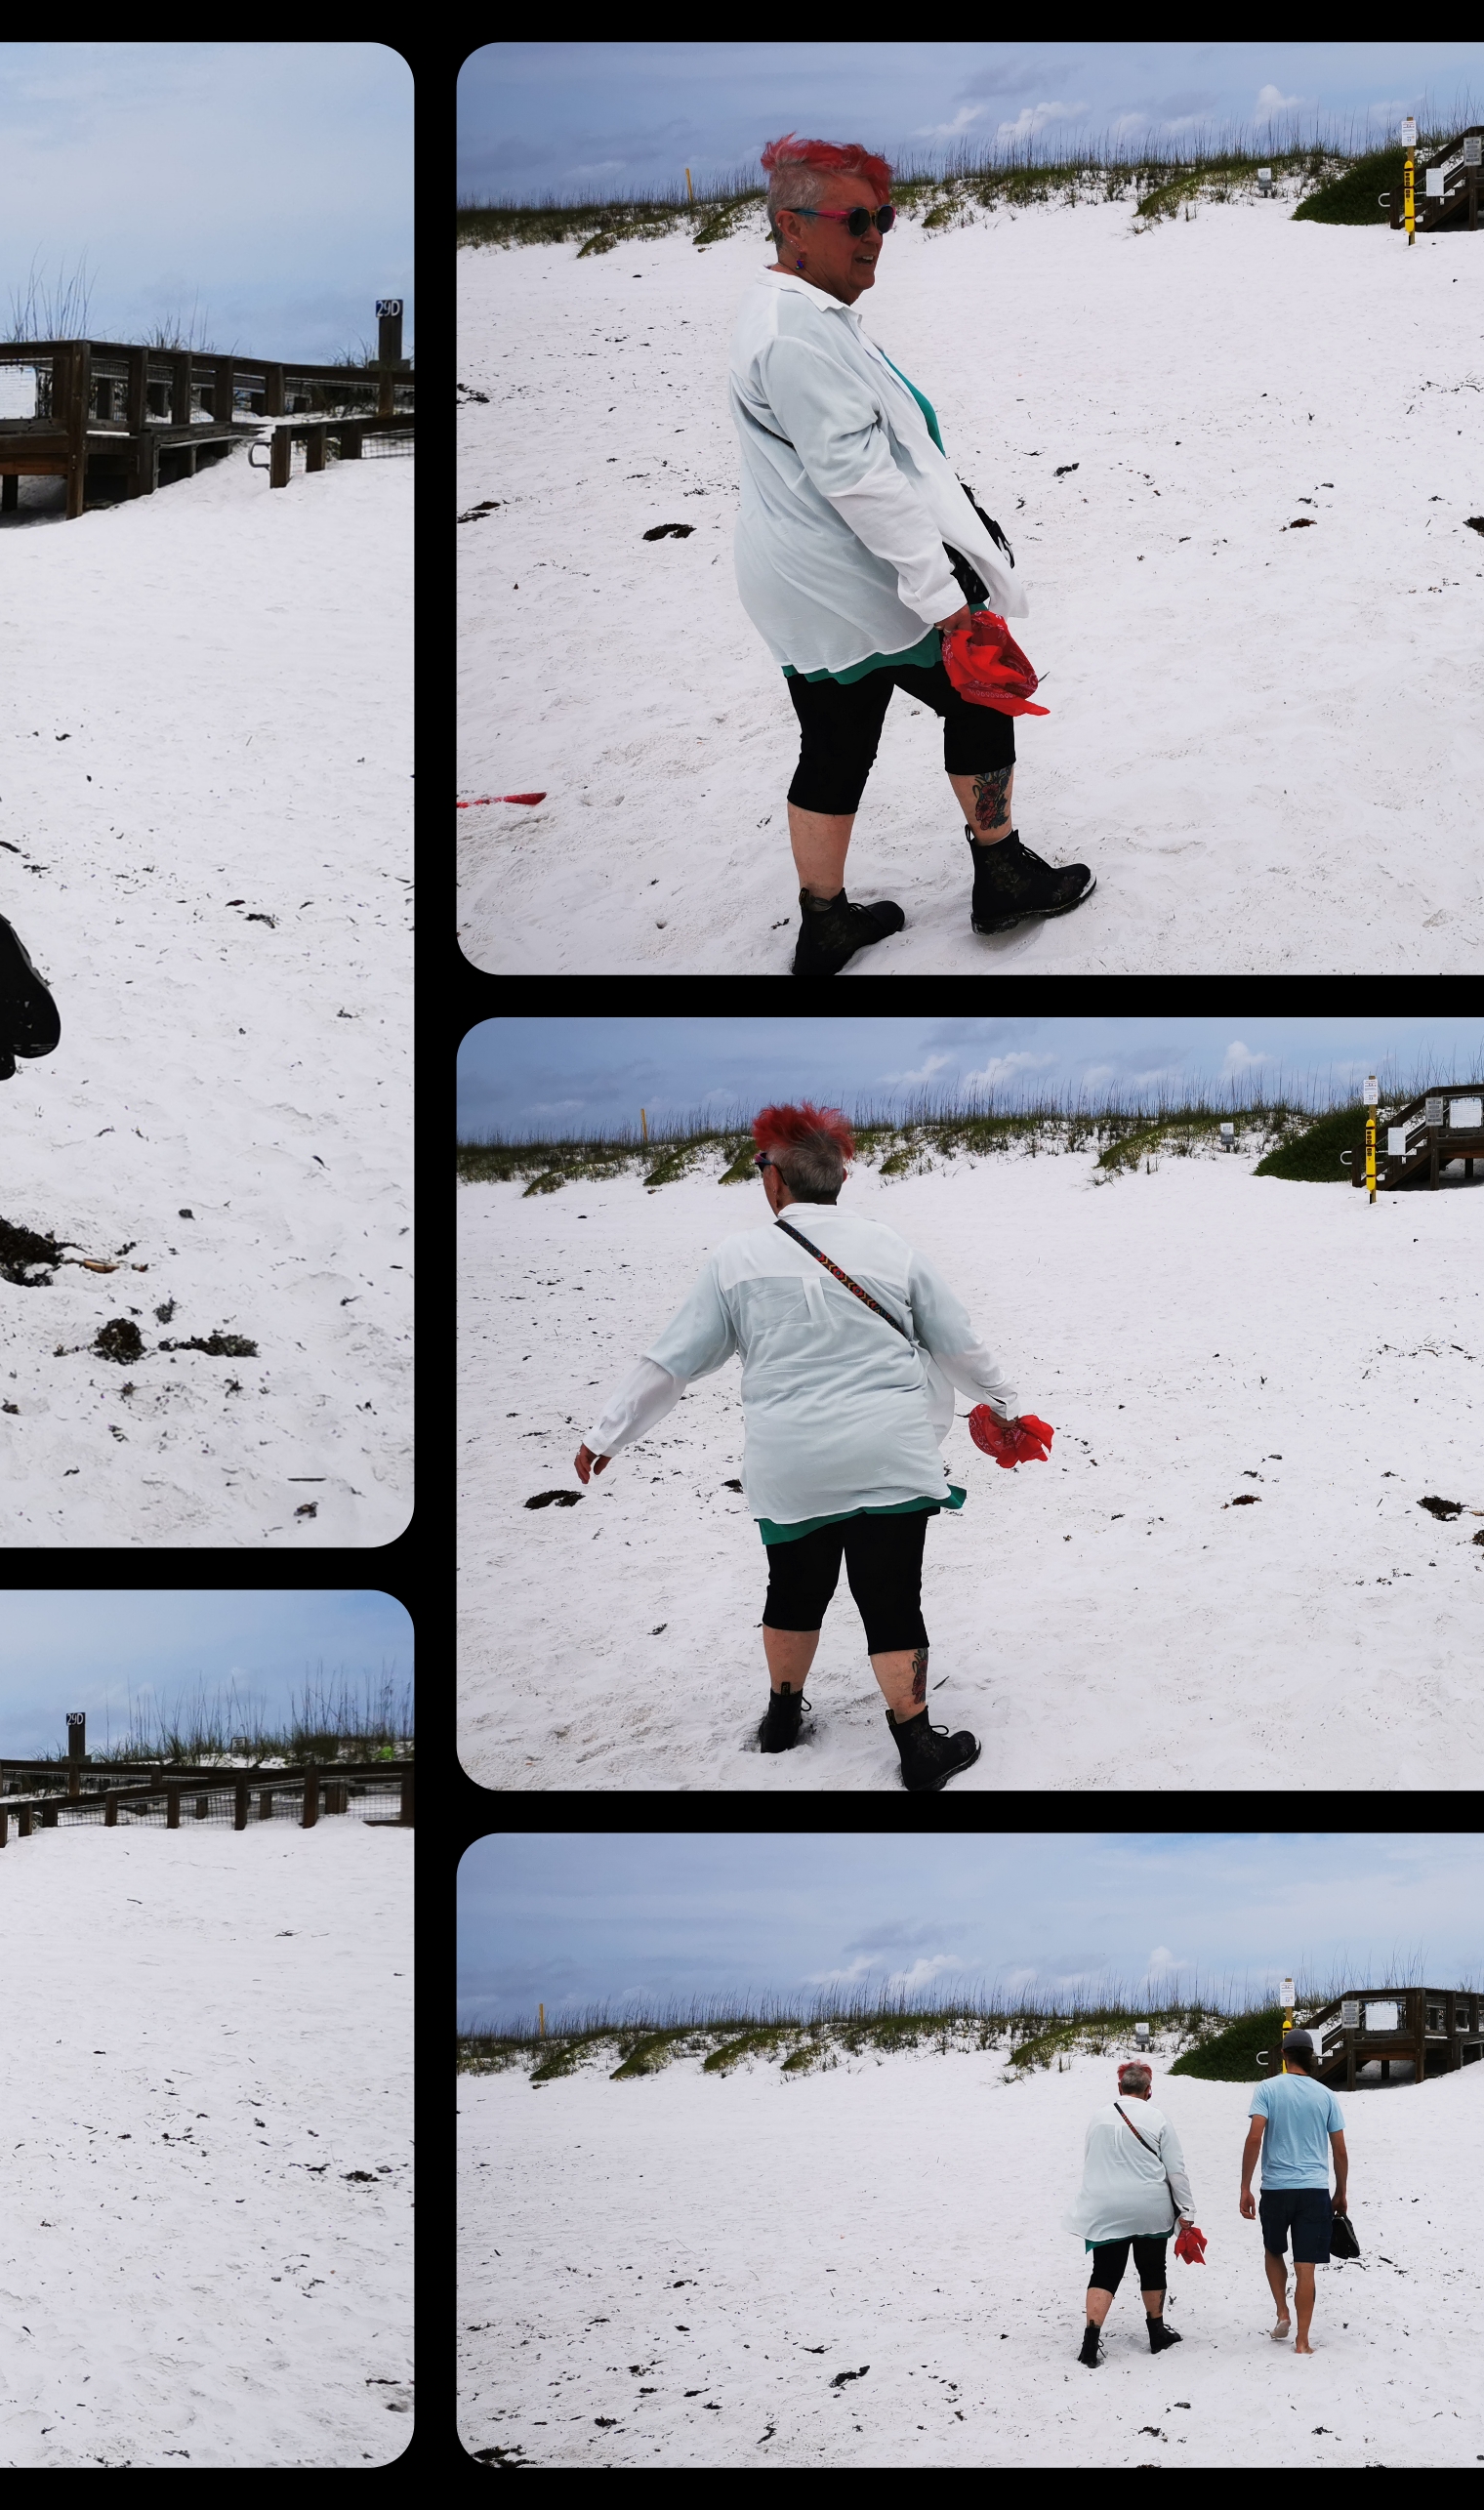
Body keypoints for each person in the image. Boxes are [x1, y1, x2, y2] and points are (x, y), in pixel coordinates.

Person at [571, 1101, 1029, 1790]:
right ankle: (917, 1745)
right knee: (892, 1596)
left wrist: (607, 1434)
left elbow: (675, 1361)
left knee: (794, 1589)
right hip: (891, 1456)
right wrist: (1007, 1405)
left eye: (761, 1164)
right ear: (839, 1177)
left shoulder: (736, 1259)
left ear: (775, 1179)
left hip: (792, 1465)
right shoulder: (890, 1246)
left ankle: (781, 1720)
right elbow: (957, 1343)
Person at [728, 134, 1093, 977]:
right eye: (854, 218)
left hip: (802, 576)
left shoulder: (796, 312)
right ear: (792, 224)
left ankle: (825, 922)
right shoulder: (798, 334)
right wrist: (949, 602)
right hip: (858, 577)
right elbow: (863, 487)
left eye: (883, 216)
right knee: (983, 689)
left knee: (834, 740)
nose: (875, 235)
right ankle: (1001, 871)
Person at [1074, 2059, 1197, 2366]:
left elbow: (1089, 2161)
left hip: (1106, 2207)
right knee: (1153, 2267)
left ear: (1120, 2087)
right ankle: (1157, 2334)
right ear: (1148, 2091)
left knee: (1104, 2271)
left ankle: (1091, 2343)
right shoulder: (1158, 2118)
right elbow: (1176, 2171)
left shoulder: (1099, 2117)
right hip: (1150, 2206)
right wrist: (1187, 2210)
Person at [1238, 2027, 1349, 2355]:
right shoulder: (1326, 2095)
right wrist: (1341, 2191)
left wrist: (1245, 2186)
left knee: (1274, 2251)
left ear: (1284, 2055)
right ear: (1310, 2057)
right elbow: (1340, 2151)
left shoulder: (1268, 2089)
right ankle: (1302, 2342)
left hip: (1276, 2188)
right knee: (1306, 2267)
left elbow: (1255, 2137)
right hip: (1314, 2190)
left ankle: (1282, 2312)